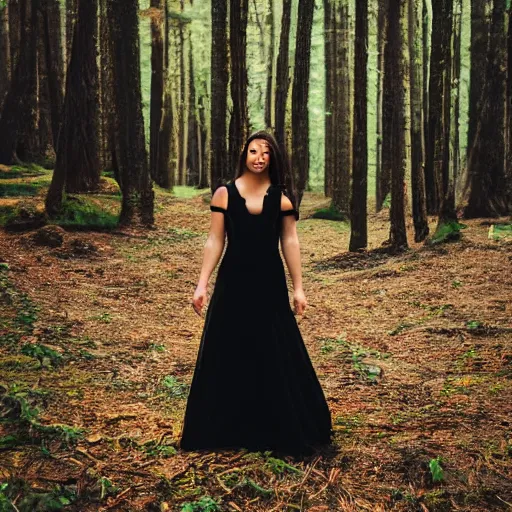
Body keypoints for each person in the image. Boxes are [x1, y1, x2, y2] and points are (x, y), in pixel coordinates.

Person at [178, 130, 332, 456]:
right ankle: (227, 428)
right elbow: (215, 241)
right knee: (230, 349)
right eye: (253, 151)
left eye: (265, 152)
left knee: (272, 351)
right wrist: (202, 284)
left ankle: (274, 426)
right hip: (233, 283)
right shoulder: (224, 194)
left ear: (272, 158)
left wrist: (299, 288)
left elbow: (290, 242)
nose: (259, 157)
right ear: (244, 155)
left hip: (269, 285)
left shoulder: (283, 199)